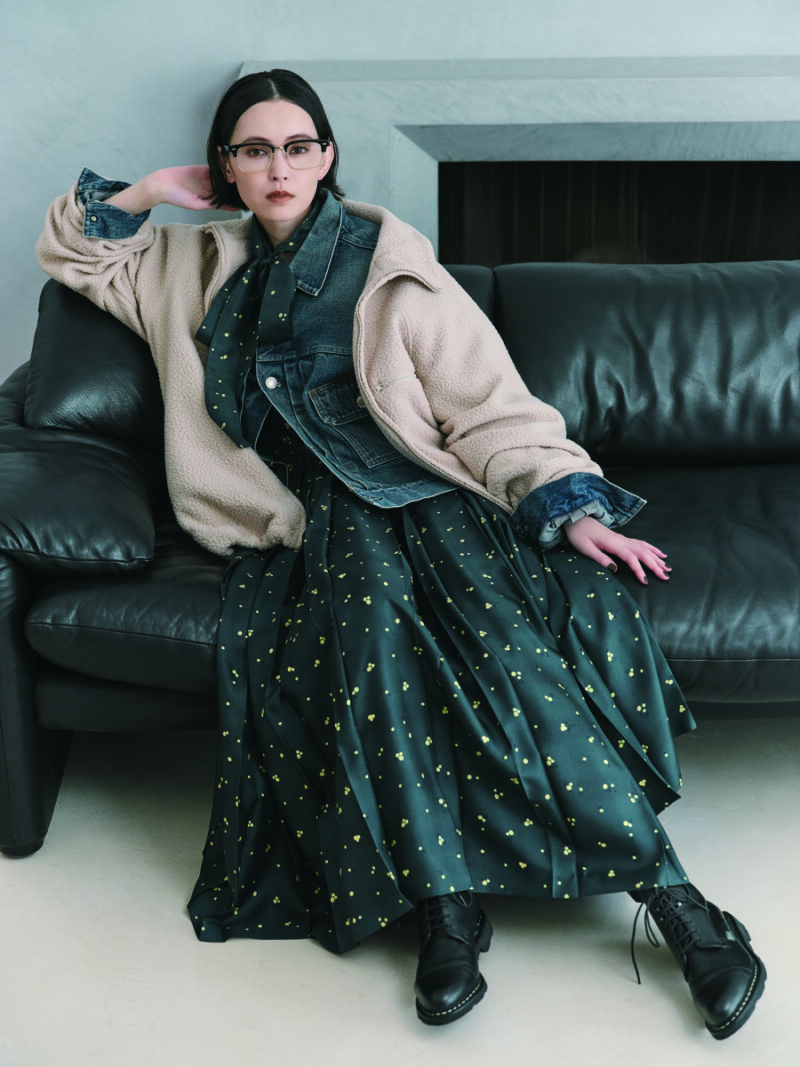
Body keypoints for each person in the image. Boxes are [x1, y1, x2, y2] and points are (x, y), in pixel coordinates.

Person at [36, 69, 765, 1039]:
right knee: (373, 648)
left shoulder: (388, 259)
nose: (279, 166)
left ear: (327, 155)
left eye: (298, 146)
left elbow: (485, 404)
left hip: (423, 496)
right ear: (227, 166)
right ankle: (445, 906)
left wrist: (568, 506)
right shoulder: (182, 264)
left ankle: (678, 906)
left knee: (507, 655)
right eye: (254, 149)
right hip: (304, 523)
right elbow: (75, 251)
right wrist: (150, 192)